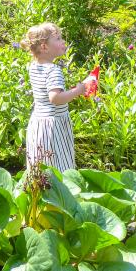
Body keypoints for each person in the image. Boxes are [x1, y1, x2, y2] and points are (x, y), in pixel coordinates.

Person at [21, 22, 90, 172]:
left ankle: (38, 192)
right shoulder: (53, 70)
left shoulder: (34, 66)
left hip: (38, 123)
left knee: (40, 166)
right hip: (54, 126)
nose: (63, 41)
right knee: (59, 166)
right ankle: (61, 194)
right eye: (58, 39)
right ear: (44, 47)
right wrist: (77, 91)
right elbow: (55, 98)